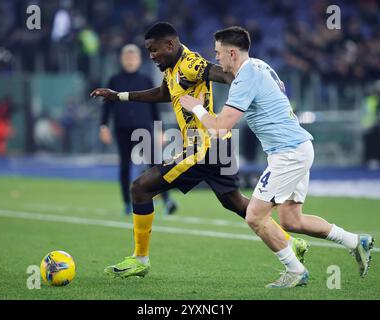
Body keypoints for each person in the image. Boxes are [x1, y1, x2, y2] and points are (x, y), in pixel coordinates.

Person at [90, 22, 308, 279]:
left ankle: (140, 259)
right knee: (234, 201)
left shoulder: (190, 64)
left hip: (203, 146)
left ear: (170, 45)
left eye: (154, 50)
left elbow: (227, 75)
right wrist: (119, 96)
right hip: (221, 143)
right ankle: (289, 241)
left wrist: (244, 96)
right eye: (148, 51)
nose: (151, 56)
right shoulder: (171, 67)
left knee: (140, 187)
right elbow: (163, 93)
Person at [180, 26, 375, 288]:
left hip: (289, 153)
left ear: (233, 53)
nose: (216, 59)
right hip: (296, 146)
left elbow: (220, 128)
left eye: (218, 53)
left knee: (254, 216)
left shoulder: (245, 78)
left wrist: (198, 108)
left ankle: (295, 271)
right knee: (291, 220)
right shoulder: (260, 66)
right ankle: (354, 241)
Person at [99, 44, 177, 215]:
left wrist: (160, 129)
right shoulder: (114, 80)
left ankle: (167, 200)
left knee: (155, 165)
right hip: (123, 129)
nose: (130, 60)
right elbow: (107, 107)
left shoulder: (146, 80)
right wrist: (104, 126)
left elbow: (155, 106)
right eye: (127, 56)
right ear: (122, 59)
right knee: (125, 166)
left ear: (139, 59)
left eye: (133, 56)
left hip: (144, 128)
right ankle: (127, 203)